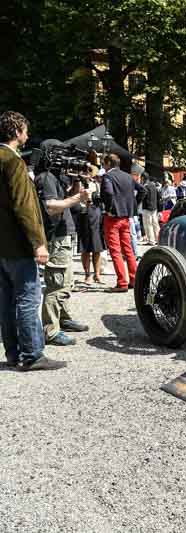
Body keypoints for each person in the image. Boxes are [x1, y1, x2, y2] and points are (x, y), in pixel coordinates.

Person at [0, 111, 66, 370]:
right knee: (28, 299)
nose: (27, 135)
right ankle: (32, 355)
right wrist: (39, 243)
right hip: (18, 245)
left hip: (2, 246)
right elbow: (24, 207)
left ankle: (14, 353)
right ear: (16, 132)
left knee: (6, 302)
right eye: (25, 130)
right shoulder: (13, 162)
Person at [36, 156, 91, 346]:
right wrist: (78, 197)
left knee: (67, 280)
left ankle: (64, 318)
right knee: (58, 284)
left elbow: (68, 200)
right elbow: (51, 207)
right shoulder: (45, 177)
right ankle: (50, 330)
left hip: (63, 234)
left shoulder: (54, 177)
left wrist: (77, 181)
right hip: (56, 238)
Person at [101, 154, 142, 292]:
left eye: (103, 163)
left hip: (113, 218)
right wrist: (132, 206)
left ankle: (122, 282)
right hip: (126, 217)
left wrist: (109, 209)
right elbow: (142, 190)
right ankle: (135, 279)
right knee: (128, 250)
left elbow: (108, 192)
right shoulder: (128, 176)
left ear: (108, 163)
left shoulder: (108, 176)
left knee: (115, 251)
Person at [78, 166, 105, 284]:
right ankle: (87, 275)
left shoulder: (97, 184)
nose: (87, 173)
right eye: (85, 171)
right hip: (83, 215)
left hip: (95, 216)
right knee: (85, 248)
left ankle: (97, 274)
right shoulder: (78, 184)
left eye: (89, 171)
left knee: (97, 248)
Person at [141, 175, 161, 245]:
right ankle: (158, 239)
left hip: (147, 208)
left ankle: (151, 241)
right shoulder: (156, 188)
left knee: (148, 225)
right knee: (155, 224)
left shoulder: (146, 187)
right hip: (154, 208)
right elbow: (159, 198)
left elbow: (143, 196)